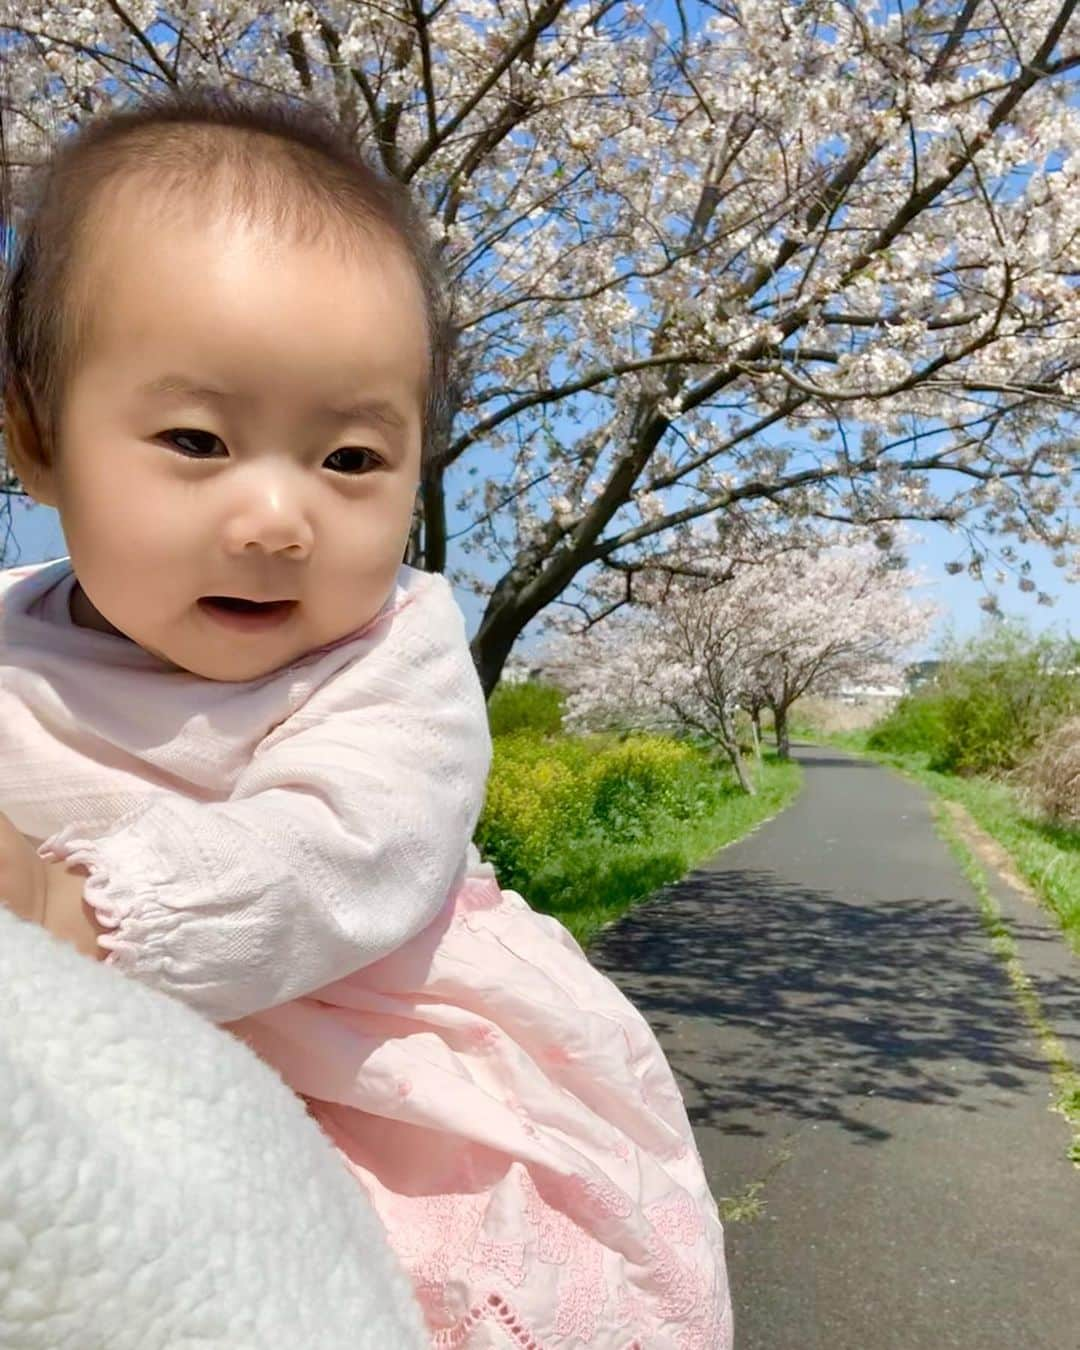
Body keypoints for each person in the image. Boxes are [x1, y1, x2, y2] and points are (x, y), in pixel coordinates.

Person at [0, 88, 732, 1348]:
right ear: (37, 440)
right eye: (196, 438)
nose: (278, 519)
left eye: (349, 461)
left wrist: (80, 912)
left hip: (383, 1059)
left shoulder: (395, 655)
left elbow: (345, 849)